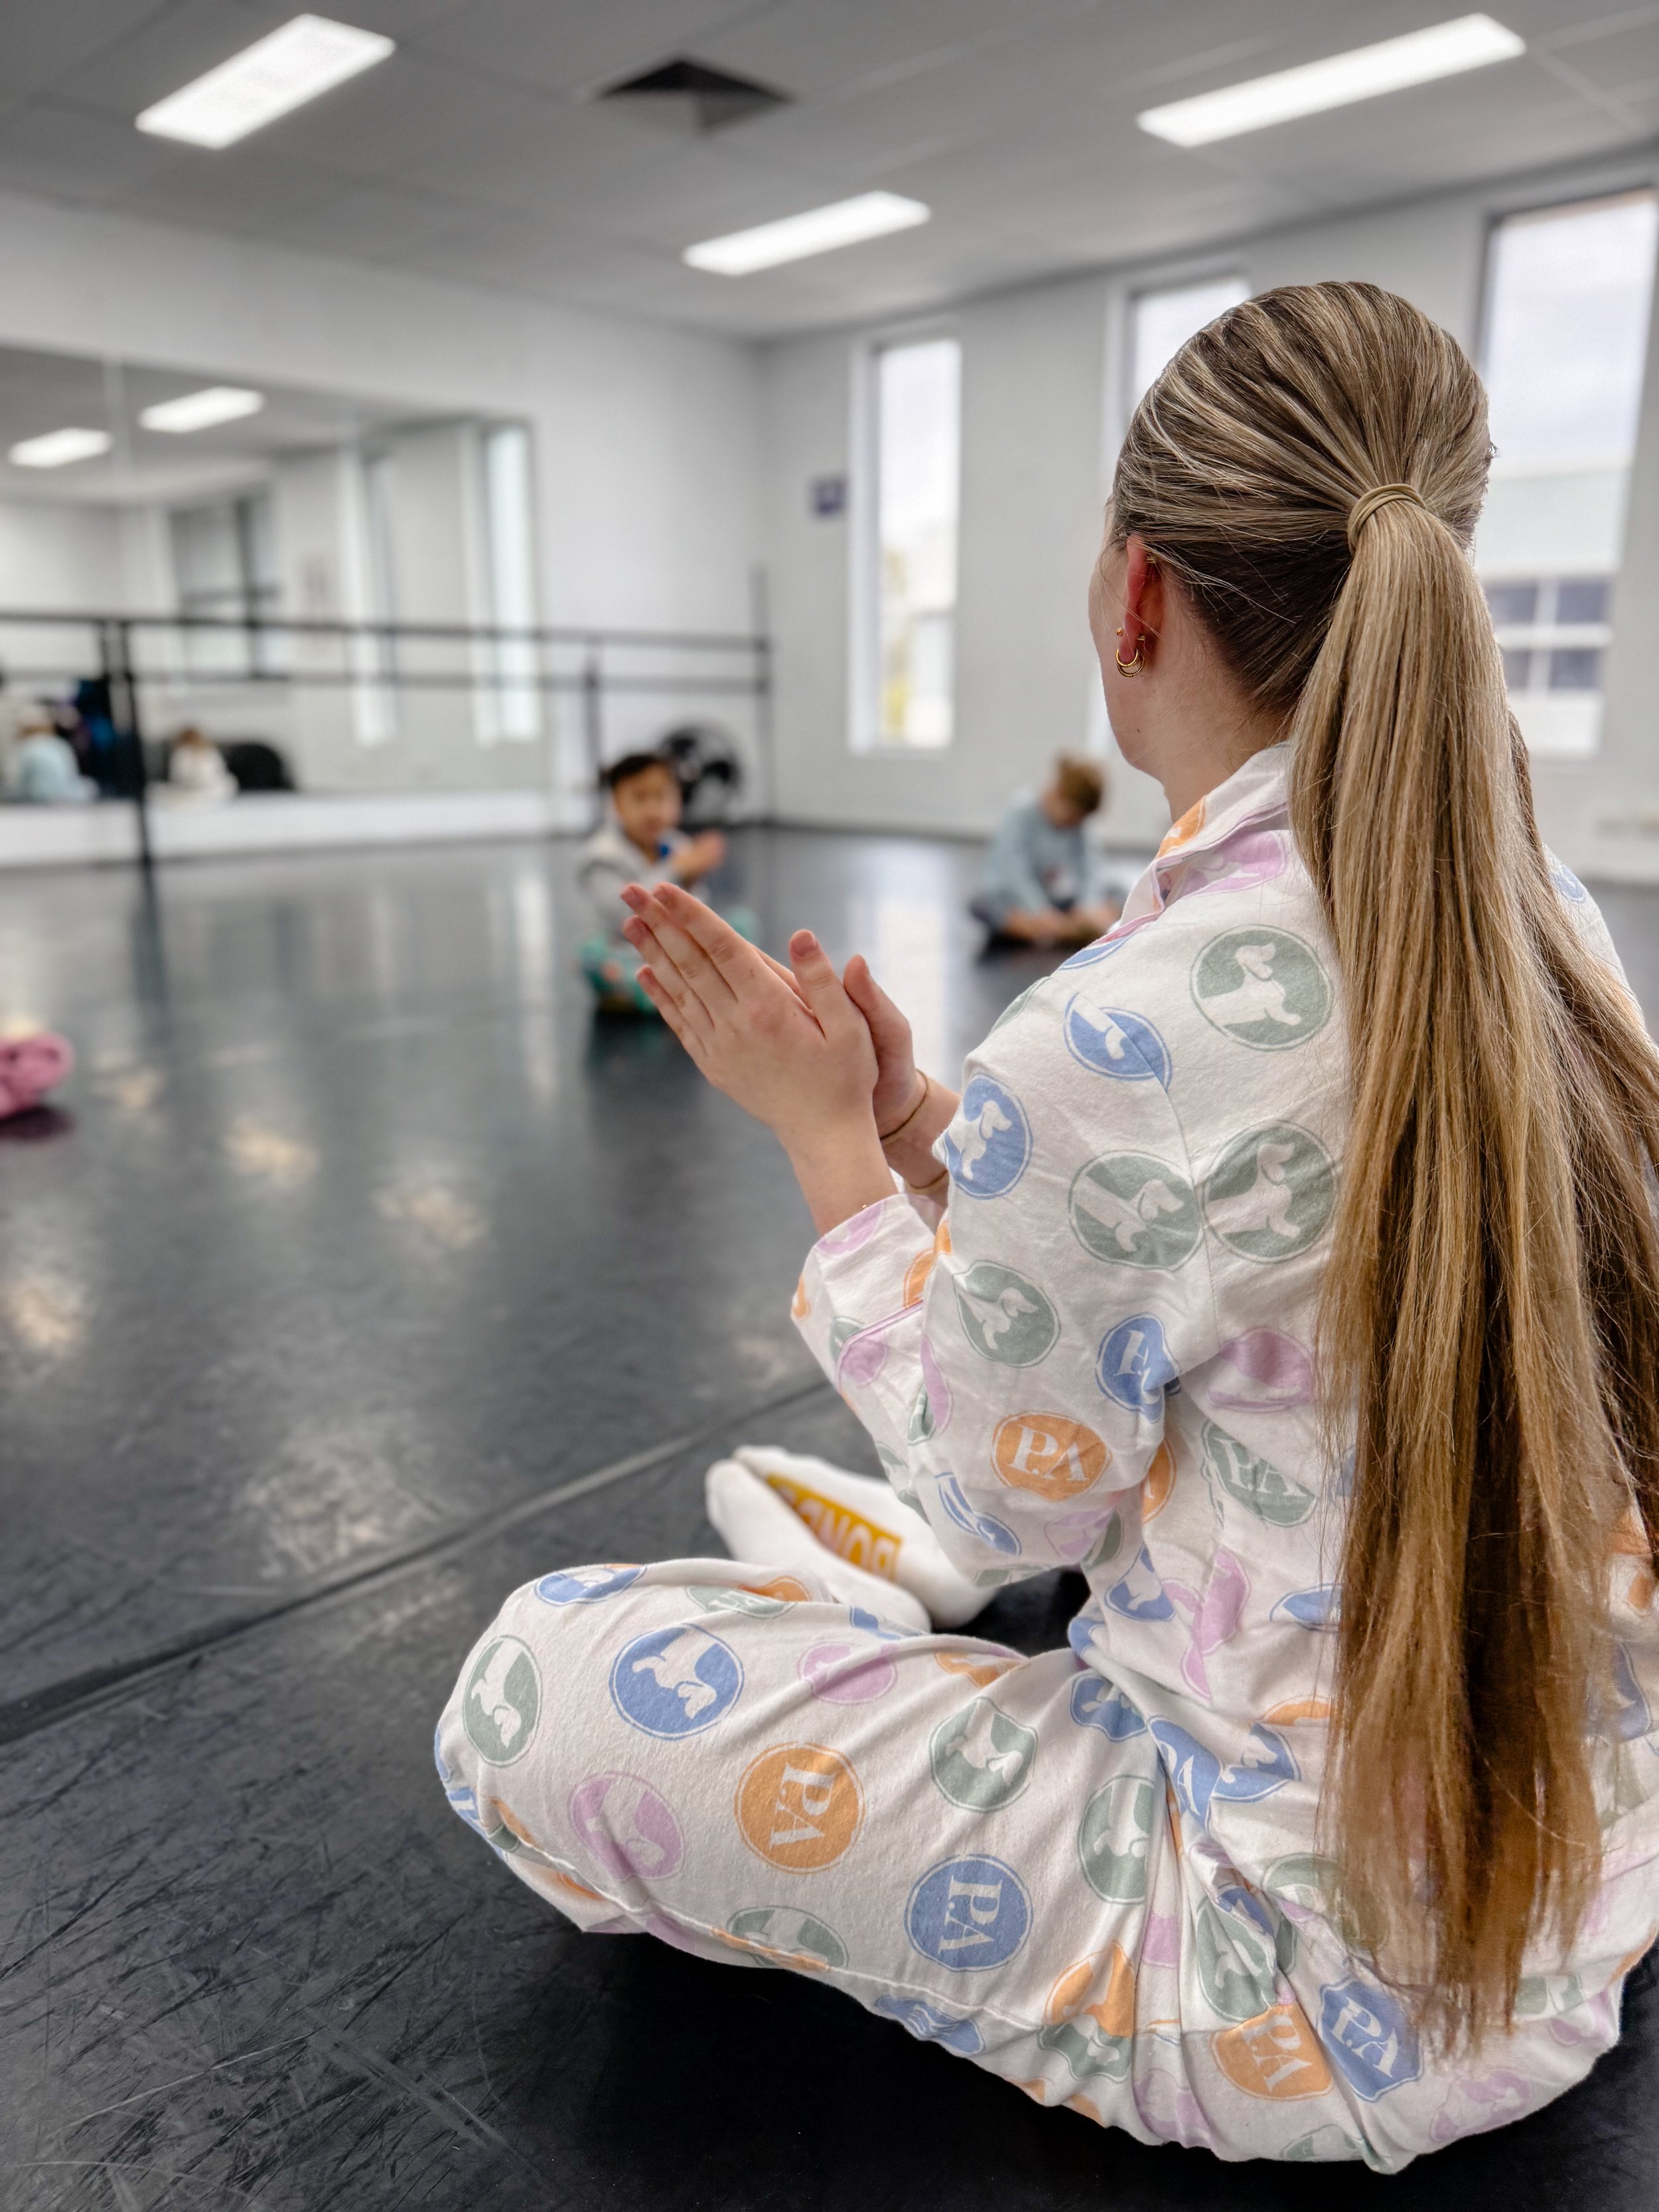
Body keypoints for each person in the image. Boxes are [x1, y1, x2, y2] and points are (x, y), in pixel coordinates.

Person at [435, 284, 1659, 2168]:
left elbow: (1017, 1504)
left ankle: (859, 1597)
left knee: (531, 1686)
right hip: (1574, 1881)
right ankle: (867, 1598)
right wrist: (940, 1136)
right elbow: (1254, 1267)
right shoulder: (1553, 929)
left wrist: (829, 1142)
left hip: (1295, 1988)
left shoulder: (1117, 1029)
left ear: (1136, 595)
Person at [577, 751, 727, 1013]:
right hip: (622, 951)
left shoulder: (679, 846)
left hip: (672, 952)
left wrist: (693, 878)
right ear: (617, 805)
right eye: (639, 798)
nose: (652, 809)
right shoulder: (601, 856)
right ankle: (658, 994)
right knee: (594, 959)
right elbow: (624, 914)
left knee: (734, 928)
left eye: (661, 797)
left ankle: (671, 990)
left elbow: (696, 910)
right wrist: (676, 871)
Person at [972, 753, 1121, 945]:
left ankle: (1056, 930)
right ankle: (1045, 928)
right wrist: (1039, 910)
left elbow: (1090, 866)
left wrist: (1087, 905)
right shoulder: (1022, 813)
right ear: (1058, 793)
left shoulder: (1077, 826)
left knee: (1118, 891)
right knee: (983, 904)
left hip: (1061, 901)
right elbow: (1015, 874)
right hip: (1020, 900)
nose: (1074, 824)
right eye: (1073, 816)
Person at [4, 711, 96, 804]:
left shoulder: (27, 747)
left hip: (40, 797)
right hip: (69, 794)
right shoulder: (61, 744)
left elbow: (19, 781)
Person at [161, 725, 237, 806]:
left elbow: (178, 776)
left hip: (197, 791)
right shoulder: (210, 751)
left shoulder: (183, 753)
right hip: (211, 790)